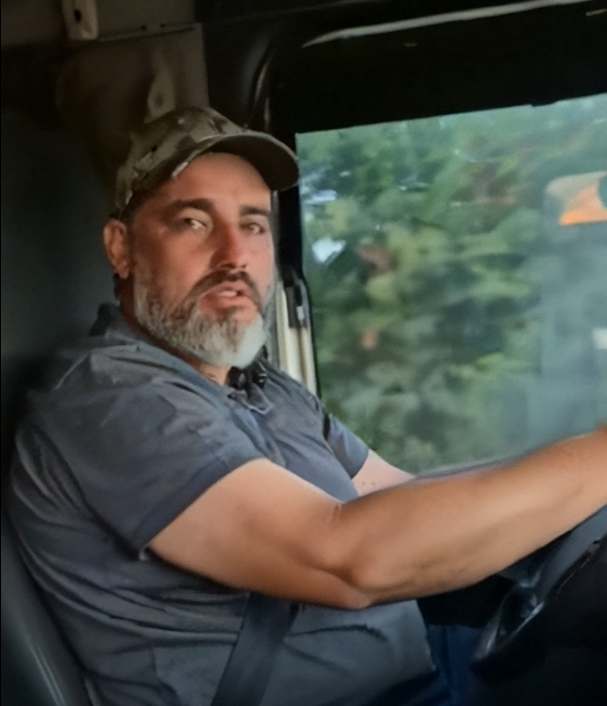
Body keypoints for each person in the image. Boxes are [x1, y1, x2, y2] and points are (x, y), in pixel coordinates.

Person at [8, 107, 607, 706]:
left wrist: (569, 492)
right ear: (120, 248)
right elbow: (347, 561)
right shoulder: (110, 400)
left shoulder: (258, 385)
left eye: (254, 225)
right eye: (193, 222)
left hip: (422, 667)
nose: (234, 254)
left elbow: (393, 492)